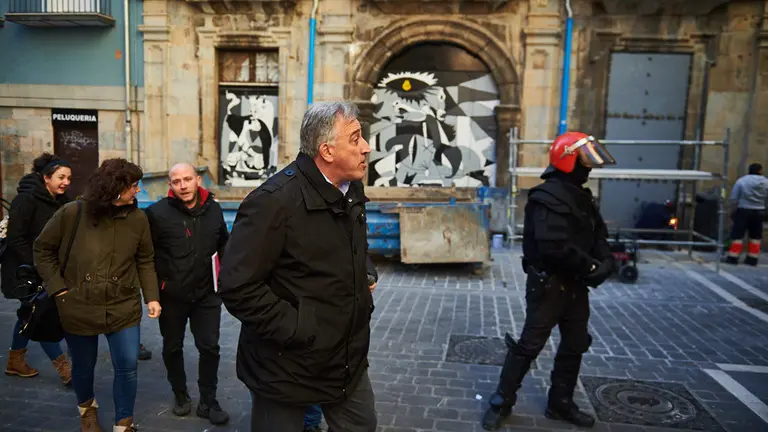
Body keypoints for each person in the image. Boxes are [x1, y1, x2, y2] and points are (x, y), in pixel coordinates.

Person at [219, 101, 378, 432]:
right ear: (327, 151)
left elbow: (348, 244)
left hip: (346, 358)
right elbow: (237, 287)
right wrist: (299, 328)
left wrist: (364, 270)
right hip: (285, 366)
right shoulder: (273, 201)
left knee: (362, 425)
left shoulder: (352, 189)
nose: (366, 147)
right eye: (356, 138)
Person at [482, 132, 616, 431]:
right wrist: (592, 265)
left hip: (577, 286)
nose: (589, 168)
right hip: (550, 286)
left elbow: (597, 234)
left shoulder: (582, 196)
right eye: (584, 161)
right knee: (529, 345)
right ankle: (500, 402)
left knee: (575, 343)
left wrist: (606, 262)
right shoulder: (546, 197)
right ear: (568, 160)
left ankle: (561, 402)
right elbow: (553, 246)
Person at [34, 158, 162, 432]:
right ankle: (87, 411)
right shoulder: (72, 213)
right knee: (82, 366)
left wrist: (151, 296)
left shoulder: (139, 219)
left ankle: (124, 422)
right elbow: (42, 250)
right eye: (134, 185)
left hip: (123, 306)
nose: (138, 191)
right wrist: (59, 289)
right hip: (78, 305)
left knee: (128, 364)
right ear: (115, 188)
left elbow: (145, 259)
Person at [145, 162, 230, 425]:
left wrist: (227, 283)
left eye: (187, 179)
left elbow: (224, 247)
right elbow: (146, 257)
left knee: (210, 347)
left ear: (198, 181)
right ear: (170, 185)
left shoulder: (214, 210)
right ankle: (180, 394)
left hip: (206, 295)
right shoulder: (157, 214)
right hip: (171, 296)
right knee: (172, 347)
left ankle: (208, 400)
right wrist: (152, 295)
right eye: (177, 181)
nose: (183, 185)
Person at [1, 153, 72, 385]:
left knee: (29, 314)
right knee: (41, 314)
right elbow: (16, 239)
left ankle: (15, 359)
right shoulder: (27, 200)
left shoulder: (62, 200)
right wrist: (37, 266)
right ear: (46, 177)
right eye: (61, 177)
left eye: (69, 178)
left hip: (48, 269)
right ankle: (65, 368)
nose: (66, 182)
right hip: (25, 271)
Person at [303, 254, 378, 432]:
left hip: (344, 340)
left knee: (360, 420)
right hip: (303, 330)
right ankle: (310, 423)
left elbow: (357, 249)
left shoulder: (345, 227)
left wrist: (367, 273)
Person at [724, 163, 768, 266]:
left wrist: (731, 209)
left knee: (738, 235)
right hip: (759, 211)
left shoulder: (742, 181)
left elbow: (734, 197)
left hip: (743, 210)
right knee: (756, 236)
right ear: (760, 171)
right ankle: (752, 259)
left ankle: (733, 257)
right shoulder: (766, 182)